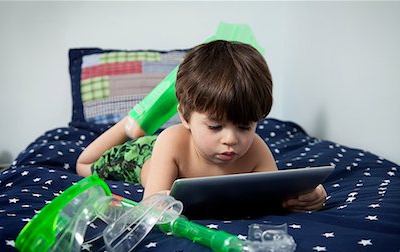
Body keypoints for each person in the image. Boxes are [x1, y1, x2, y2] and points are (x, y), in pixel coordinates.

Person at [76, 40, 326, 212]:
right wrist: (160, 203)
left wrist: (310, 195)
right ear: (185, 117)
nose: (231, 139)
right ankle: (130, 125)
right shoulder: (172, 141)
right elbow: (152, 203)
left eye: (245, 127)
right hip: (144, 155)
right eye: (216, 127)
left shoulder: (256, 150)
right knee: (85, 166)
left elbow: (276, 197)